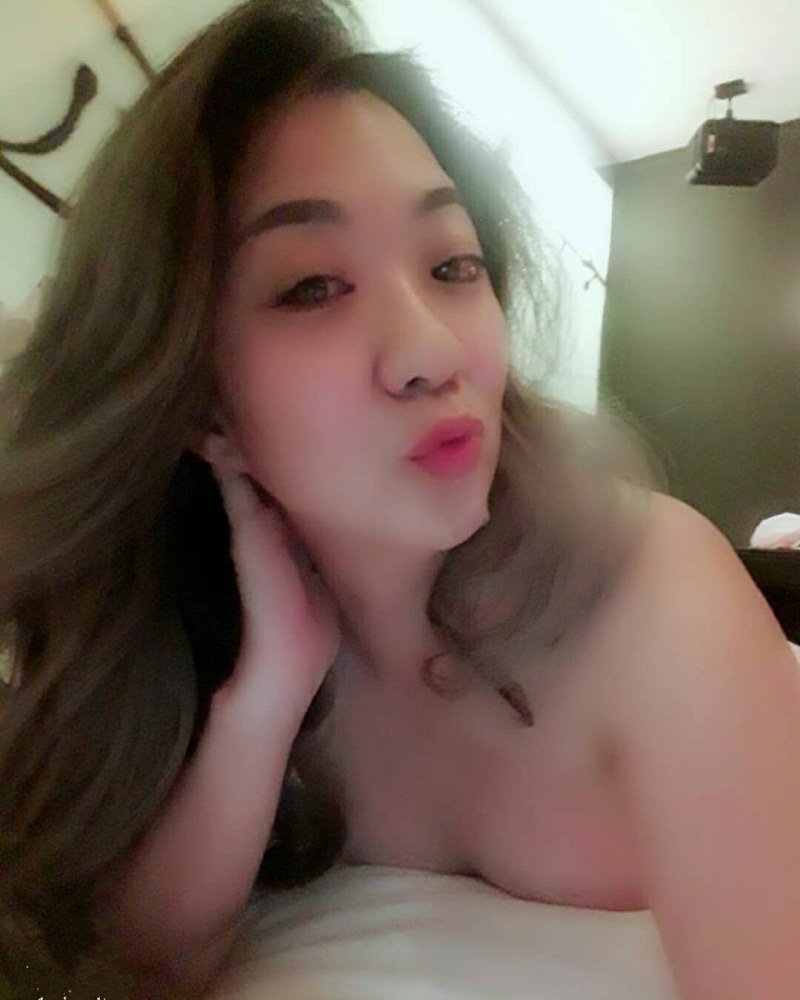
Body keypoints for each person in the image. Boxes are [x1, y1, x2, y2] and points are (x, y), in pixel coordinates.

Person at [1, 1, 799, 997]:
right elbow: (147, 961)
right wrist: (265, 693)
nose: (431, 348)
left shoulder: (652, 592)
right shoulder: (205, 635)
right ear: (201, 404)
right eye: (311, 287)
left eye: (452, 265)